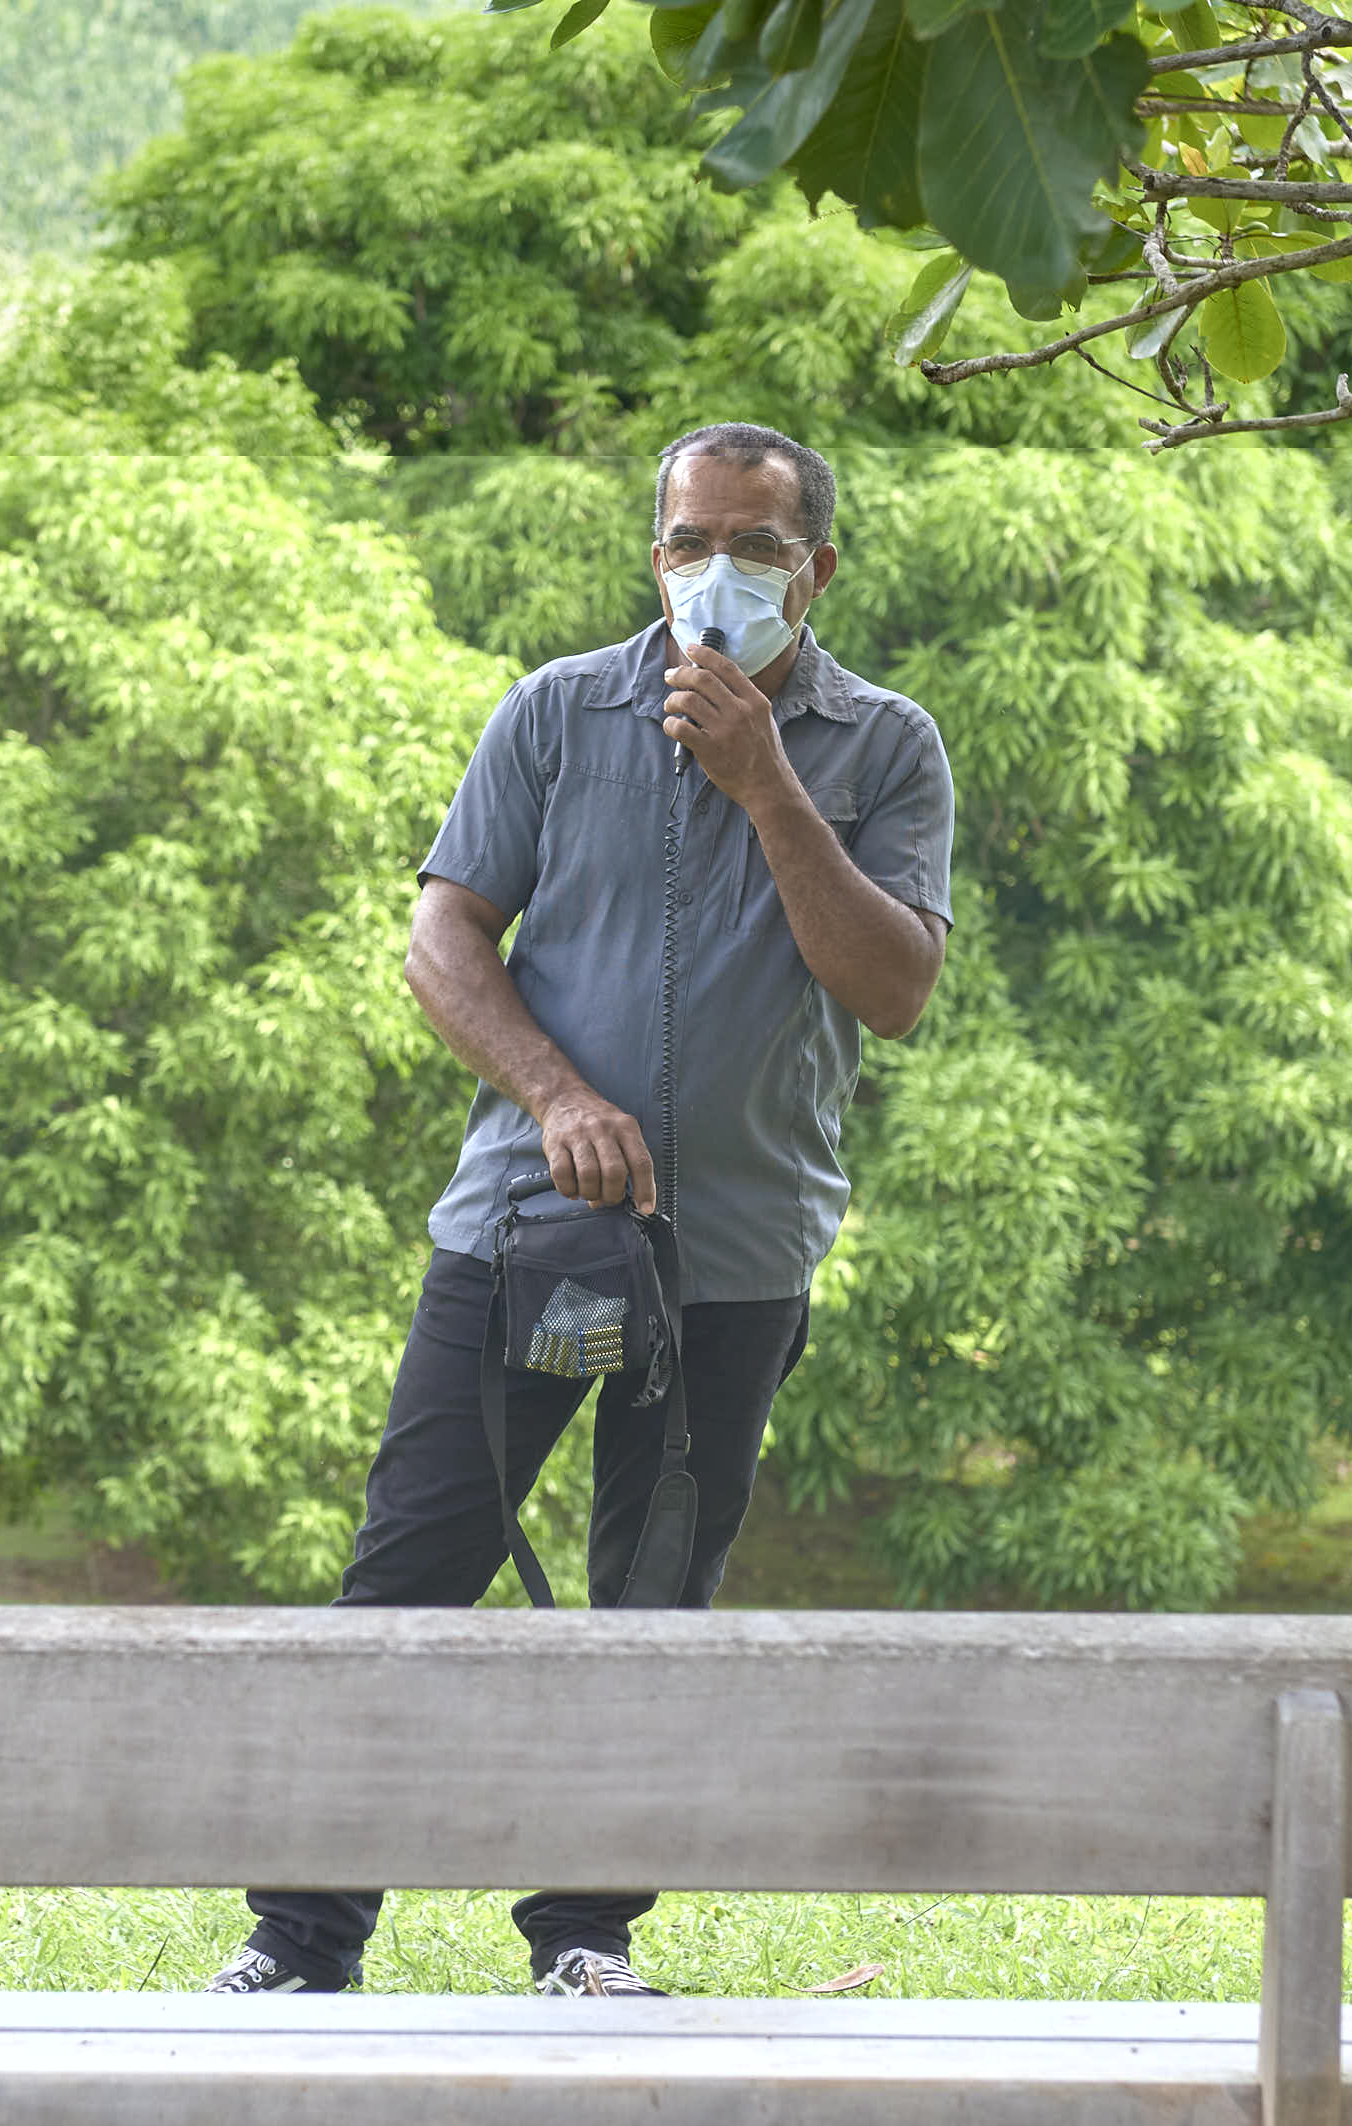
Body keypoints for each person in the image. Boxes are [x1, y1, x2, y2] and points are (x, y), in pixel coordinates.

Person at [207, 423, 956, 2001]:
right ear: (655, 552)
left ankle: (585, 1937)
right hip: (523, 1233)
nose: (714, 571)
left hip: (735, 1257)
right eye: (689, 540)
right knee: (411, 1572)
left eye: (754, 546)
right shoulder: (555, 711)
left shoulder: (886, 746)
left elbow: (893, 989)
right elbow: (442, 944)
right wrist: (555, 1097)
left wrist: (765, 780)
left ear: (816, 569)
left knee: (655, 1597)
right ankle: (300, 1938)